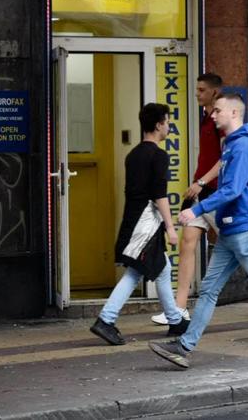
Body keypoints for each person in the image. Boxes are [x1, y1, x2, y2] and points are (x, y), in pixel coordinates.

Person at [150, 93, 248, 369]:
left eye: (217, 111)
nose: (212, 116)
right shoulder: (232, 145)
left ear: (235, 113)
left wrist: (196, 210)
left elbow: (232, 189)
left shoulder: (243, 147)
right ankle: (183, 346)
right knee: (210, 289)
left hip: (245, 230)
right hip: (231, 232)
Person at [151, 73, 248, 325]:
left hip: (220, 196)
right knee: (188, 242)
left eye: (201, 89)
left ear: (215, 93)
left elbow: (224, 159)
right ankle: (179, 307)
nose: (197, 93)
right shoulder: (208, 118)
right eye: (196, 89)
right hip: (205, 194)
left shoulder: (222, 125)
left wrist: (202, 181)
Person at [90, 103, 189, 345]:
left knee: (162, 268)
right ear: (158, 125)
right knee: (135, 272)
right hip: (146, 223)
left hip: (133, 219)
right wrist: (170, 227)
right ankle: (106, 319)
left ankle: (175, 320)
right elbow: (159, 195)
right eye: (167, 122)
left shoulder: (133, 154)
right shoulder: (159, 156)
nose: (169, 127)